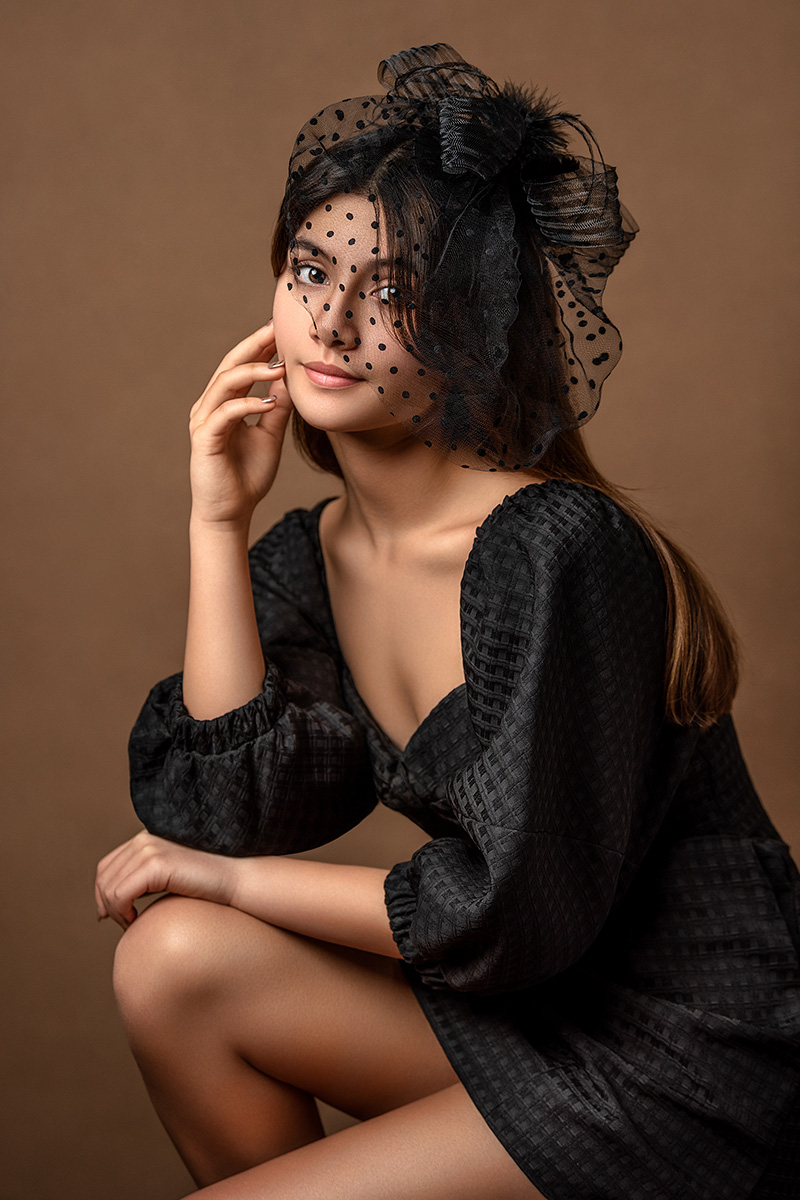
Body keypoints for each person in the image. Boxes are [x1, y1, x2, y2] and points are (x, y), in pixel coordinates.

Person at [94, 44, 800, 1200]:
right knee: (170, 962)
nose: (331, 320)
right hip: (525, 1018)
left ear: (472, 329)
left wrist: (225, 885)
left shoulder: (553, 549)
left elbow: (509, 912)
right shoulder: (312, 558)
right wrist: (215, 523)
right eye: (311, 269)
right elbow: (228, 815)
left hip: (683, 1056)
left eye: (394, 293)